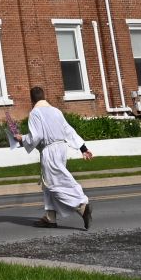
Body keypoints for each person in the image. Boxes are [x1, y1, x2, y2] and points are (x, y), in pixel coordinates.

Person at [16, 85, 94, 229]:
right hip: (61, 148)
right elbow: (68, 130)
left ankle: (81, 205)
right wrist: (82, 147)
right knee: (49, 183)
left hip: (50, 150)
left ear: (31, 100)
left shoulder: (35, 113)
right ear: (44, 96)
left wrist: (22, 139)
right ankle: (50, 218)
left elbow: (37, 136)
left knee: (55, 183)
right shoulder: (56, 111)